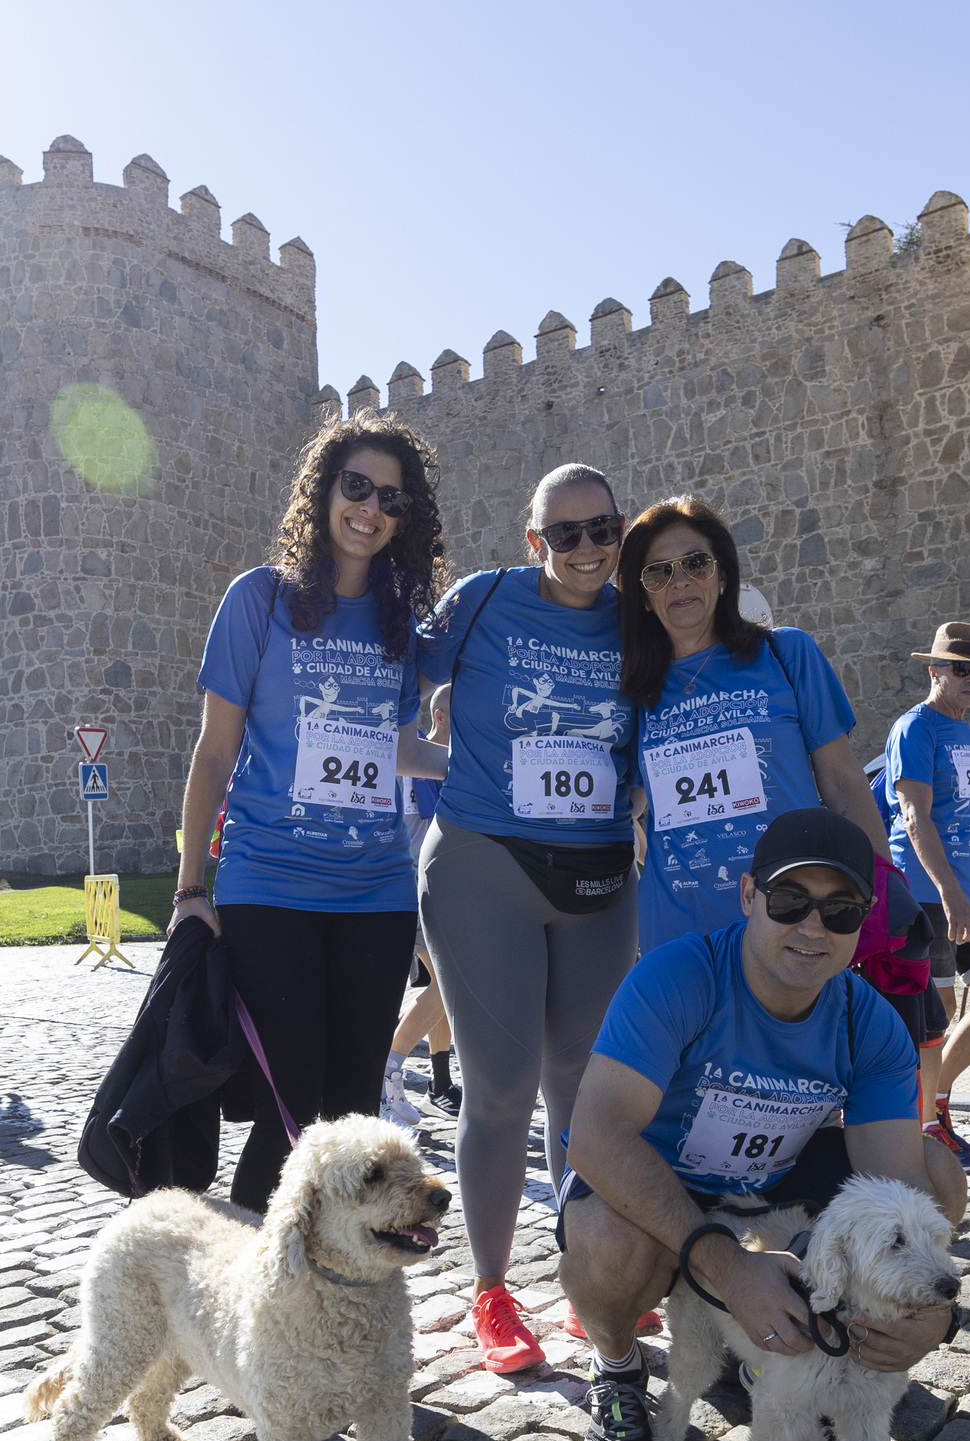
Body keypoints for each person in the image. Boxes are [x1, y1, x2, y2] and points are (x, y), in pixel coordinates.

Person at [557, 809, 967, 1441]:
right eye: (790, 901)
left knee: (938, 1175)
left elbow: (900, 1192)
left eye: (840, 912)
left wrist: (935, 1312)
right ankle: (619, 1370)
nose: (813, 928)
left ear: (863, 923)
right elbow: (597, 1139)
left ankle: (811, 1345)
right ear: (749, 895)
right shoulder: (679, 976)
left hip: (769, 1179)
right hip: (657, 1177)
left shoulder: (871, 1024)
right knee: (612, 1242)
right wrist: (732, 1269)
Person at [169, 415, 449, 1212]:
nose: (370, 508)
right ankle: (256, 1284)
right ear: (323, 490)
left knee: (356, 1107)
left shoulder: (400, 621)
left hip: (377, 893)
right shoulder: (259, 600)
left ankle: (335, 1293)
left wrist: (472, 771)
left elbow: (395, 746)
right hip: (271, 884)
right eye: (355, 485)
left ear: (407, 518)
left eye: (391, 498)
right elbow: (214, 754)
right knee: (291, 1109)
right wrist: (193, 890)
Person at [417, 464, 641, 1372]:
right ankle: (493, 1290)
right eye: (565, 534)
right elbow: (395, 664)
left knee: (582, 1090)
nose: (585, 549)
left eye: (602, 530)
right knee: (502, 1086)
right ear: (532, 540)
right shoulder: (483, 600)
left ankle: (585, 1271)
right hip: (485, 865)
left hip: (597, 877)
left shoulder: (638, 618)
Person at [617, 497, 890, 952]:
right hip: (679, 937)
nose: (679, 581)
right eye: (657, 572)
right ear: (643, 596)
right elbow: (627, 800)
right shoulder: (633, 693)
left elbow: (843, 783)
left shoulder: (787, 655)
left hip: (795, 921)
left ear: (722, 575)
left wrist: (882, 889)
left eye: (696, 563)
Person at [884, 622, 970, 1175]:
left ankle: (935, 1101)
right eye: (960, 668)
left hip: (966, 892)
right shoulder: (915, 728)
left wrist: (965, 892)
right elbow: (914, 817)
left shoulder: (966, 732)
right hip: (923, 895)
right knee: (935, 1013)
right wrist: (948, 895)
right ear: (934, 671)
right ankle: (920, 1132)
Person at [382, 683, 462, 1123]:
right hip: (415, 889)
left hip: (442, 891)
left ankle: (439, 1082)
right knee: (450, 985)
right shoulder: (419, 762)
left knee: (442, 986)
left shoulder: (451, 763)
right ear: (445, 716)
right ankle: (388, 1069)